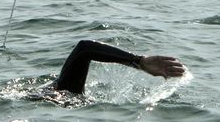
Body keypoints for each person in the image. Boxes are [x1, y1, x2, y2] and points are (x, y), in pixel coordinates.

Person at [52, 39, 185, 94]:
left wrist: (139, 61)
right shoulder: (65, 93)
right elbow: (84, 48)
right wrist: (138, 62)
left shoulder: (62, 91)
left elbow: (84, 48)